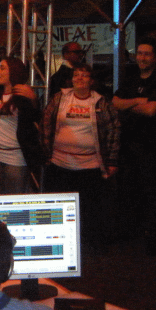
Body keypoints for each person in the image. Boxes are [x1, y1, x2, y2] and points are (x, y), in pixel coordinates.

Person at [42, 63, 120, 252]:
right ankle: (60, 243)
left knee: (89, 208)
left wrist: (112, 160)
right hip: (60, 163)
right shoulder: (60, 98)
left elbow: (113, 129)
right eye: (76, 75)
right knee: (60, 206)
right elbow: (46, 122)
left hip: (89, 165)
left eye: (84, 75)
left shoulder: (101, 102)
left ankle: (88, 246)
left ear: (91, 81)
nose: (79, 78)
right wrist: (45, 152)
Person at [112, 37, 156, 254]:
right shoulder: (131, 78)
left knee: (152, 192)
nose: (142, 57)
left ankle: (153, 237)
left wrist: (128, 105)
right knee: (129, 189)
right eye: (140, 53)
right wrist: (138, 101)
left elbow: (152, 110)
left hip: (151, 146)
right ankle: (130, 233)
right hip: (128, 144)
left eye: (147, 54)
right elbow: (114, 103)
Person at [0, 57, 44, 195]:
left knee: (14, 197)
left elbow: (37, 118)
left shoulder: (23, 96)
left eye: (2, 68)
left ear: (14, 71)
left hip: (15, 156)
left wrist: (34, 100)